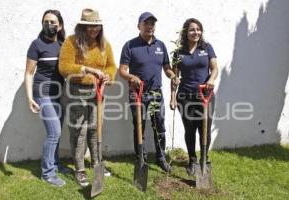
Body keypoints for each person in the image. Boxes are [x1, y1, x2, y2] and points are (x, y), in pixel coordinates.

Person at [59, 8, 116, 187]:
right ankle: (80, 169)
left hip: (98, 92)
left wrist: (108, 76)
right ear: (82, 26)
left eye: (97, 26)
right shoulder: (71, 41)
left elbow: (111, 66)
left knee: (95, 128)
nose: (94, 30)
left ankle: (97, 162)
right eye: (90, 26)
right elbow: (64, 67)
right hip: (77, 91)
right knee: (79, 130)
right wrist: (87, 70)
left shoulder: (104, 44)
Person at [119, 12, 179, 172]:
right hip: (136, 93)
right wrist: (132, 77)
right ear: (139, 26)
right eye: (146, 23)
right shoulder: (130, 45)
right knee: (139, 126)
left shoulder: (161, 46)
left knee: (159, 126)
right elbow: (122, 71)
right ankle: (141, 158)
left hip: (156, 93)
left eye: (152, 23)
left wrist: (172, 76)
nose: (150, 26)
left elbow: (167, 68)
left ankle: (161, 158)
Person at [170, 18, 218, 176]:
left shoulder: (207, 48)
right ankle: (192, 160)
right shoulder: (178, 52)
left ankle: (205, 159)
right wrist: (173, 97)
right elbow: (174, 76)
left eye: (198, 29)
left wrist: (211, 80)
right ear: (186, 32)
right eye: (192, 29)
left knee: (205, 129)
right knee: (189, 129)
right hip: (185, 96)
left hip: (205, 95)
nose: (196, 32)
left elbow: (215, 68)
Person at [24, 10, 66, 187]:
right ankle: (47, 173)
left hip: (59, 94)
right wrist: (29, 98)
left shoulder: (64, 45)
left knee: (57, 132)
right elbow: (28, 73)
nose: (49, 24)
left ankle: (55, 164)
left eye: (52, 21)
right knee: (54, 132)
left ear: (60, 25)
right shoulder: (37, 44)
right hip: (43, 94)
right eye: (46, 21)